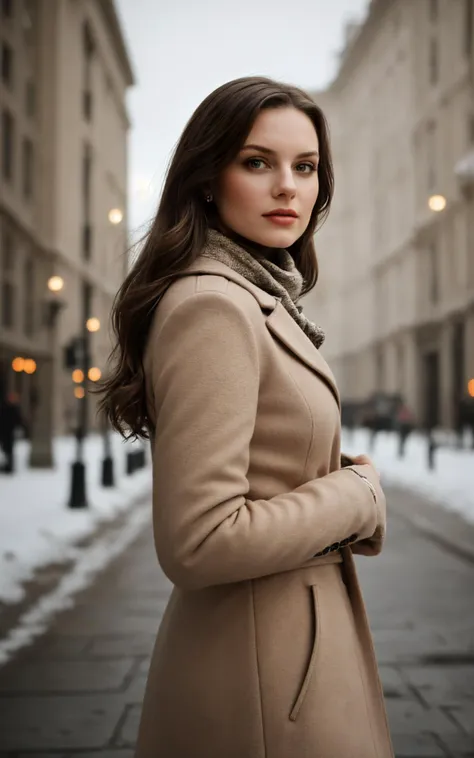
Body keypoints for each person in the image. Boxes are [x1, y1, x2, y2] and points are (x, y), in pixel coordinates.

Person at [99, 77, 393, 758]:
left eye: (307, 166)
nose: (288, 186)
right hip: (265, 679)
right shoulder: (214, 306)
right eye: (257, 162)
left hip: (286, 652)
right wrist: (353, 497)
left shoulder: (257, 295)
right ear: (207, 178)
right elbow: (199, 540)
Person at [0, 391, 25, 474]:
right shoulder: (5, 408)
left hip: (9, 432)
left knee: (9, 449)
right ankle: (8, 465)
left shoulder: (13, 409)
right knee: (6, 449)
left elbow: (18, 420)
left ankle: (9, 466)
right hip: (4, 432)